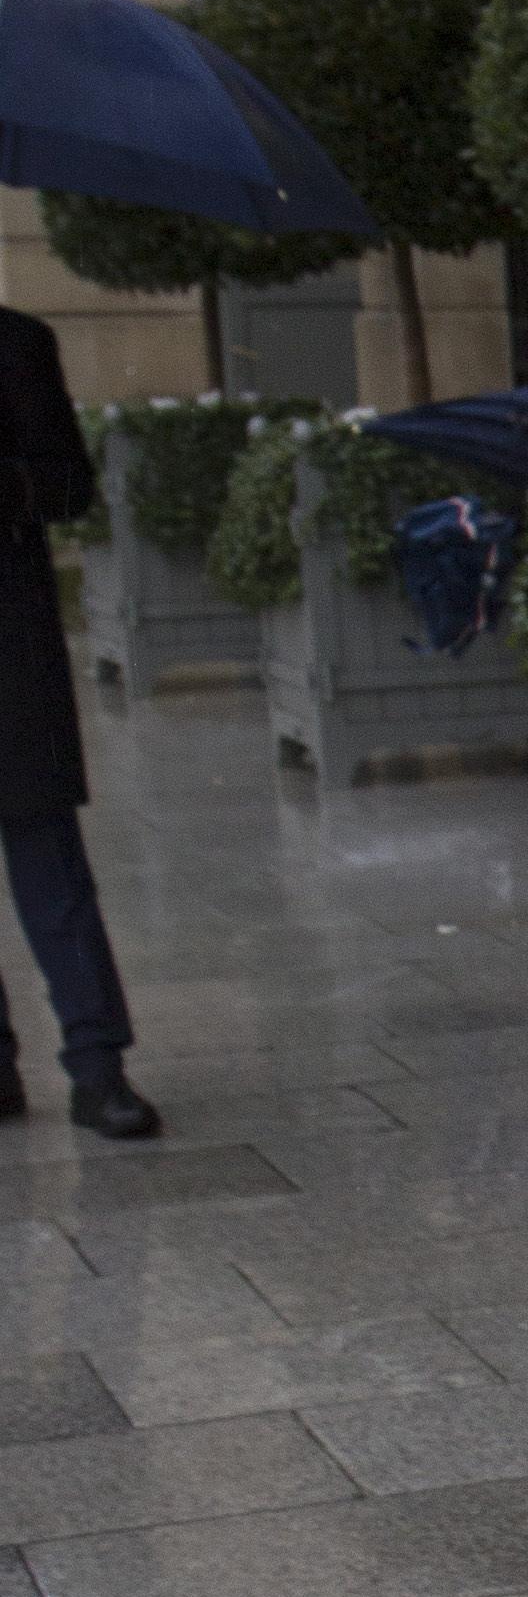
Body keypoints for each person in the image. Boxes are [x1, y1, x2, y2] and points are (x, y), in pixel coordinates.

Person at [0, 299, 159, 1142]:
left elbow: (68, 486)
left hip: (8, 650)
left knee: (49, 865)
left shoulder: (17, 343)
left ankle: (98, 1069)